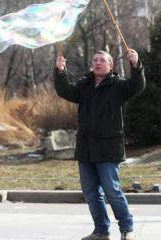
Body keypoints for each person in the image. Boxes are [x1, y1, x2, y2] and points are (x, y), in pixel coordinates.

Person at [54, 49, 145, 240]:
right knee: (91, 193)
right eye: (95, 60)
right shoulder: (84, 85)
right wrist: (60, 72)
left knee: (112, 191)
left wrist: (136, 65)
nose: (97, 62)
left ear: (110, 66)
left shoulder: (118, 86)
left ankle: (127, 228)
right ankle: (101, 231)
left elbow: (137, 86)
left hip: (109, 148)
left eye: (102, 60)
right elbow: (65, 91)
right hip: (86, 148)